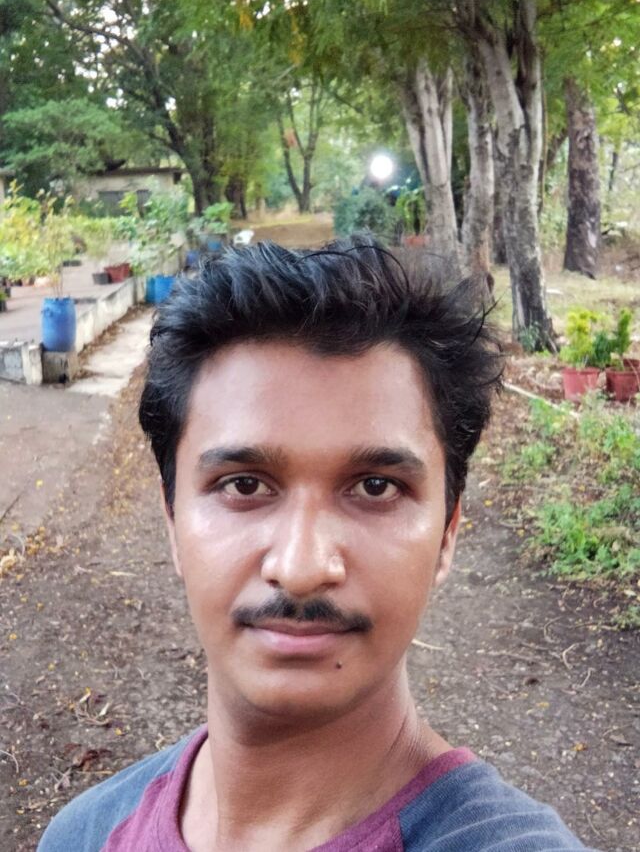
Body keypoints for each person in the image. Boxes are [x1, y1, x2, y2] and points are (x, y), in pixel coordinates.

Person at [39, 236, 592, 851]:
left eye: (376, 487)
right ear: (172, 522)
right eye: (244, 485)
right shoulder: (81, 835)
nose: (301, 568)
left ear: (447, 532)